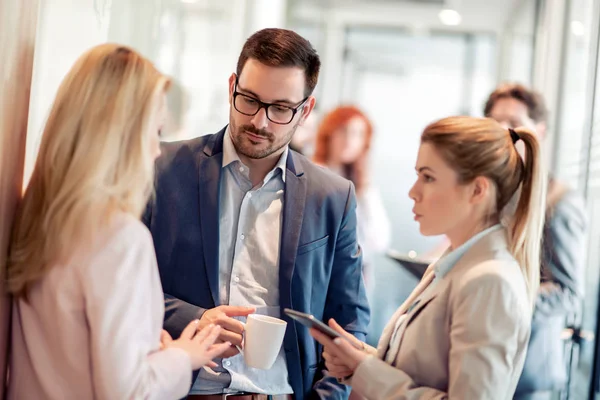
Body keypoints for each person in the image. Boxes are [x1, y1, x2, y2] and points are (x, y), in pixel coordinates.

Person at [143, 28, 370, 399]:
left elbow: (348, 324)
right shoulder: (162, 169)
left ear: (305, 110)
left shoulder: (332, 197)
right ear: (232, 86)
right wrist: (196, 318)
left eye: (281, 109)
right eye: (249, 100)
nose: (260, 122)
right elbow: (125, 290)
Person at [6, 44, 231, 400]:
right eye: (154, 133)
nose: (157, 151)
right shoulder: (119, 237)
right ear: (121, 135)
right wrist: (182, 356)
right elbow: (128, 391)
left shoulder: (38, 214)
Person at [311, 116, 546, 399]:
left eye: (428, 177)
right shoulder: (455, 264)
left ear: (477, 190)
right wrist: (359, 361)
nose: (413, 192)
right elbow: (424, 370)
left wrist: (367, 371)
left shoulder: (489, 281)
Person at [484, 83, 587, 399]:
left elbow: (568, 293)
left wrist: (504, 300)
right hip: (483, 361)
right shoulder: (492, 191)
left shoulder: (560, 201)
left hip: (527, 371)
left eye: (513, 122)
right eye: (494, 121)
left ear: (538, 131)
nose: (503, 130)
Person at [313, 105, 391, 288]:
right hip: (320, 273)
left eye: (358, 134)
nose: (349, 140)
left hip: (355, 276)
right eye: (343, 131)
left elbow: (380, 241)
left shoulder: (363, 185)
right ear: (329, 133)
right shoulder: (312, 173)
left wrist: (366, 189)